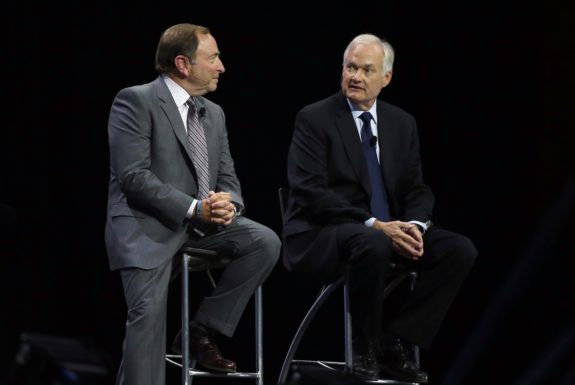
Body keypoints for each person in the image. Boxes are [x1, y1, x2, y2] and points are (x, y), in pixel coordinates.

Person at [281, 33, 477, 383]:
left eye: (366, 70)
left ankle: (395, 338)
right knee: (373, 242)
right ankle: (365, 346)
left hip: (389, 231)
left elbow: (416, 187)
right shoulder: (315, 118)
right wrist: (374, 224)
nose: (355, 76)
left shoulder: (402, 123)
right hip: (325, 233)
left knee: (458, 250)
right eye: (350, 67)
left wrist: (415, 225)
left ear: (386, 78)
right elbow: (310, 191)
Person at [105, 23, 280, 385]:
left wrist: (228, 205)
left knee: (264, 242)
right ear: (183, 64)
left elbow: (228, 178)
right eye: (213, 57)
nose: (222, 66)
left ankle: (198, 332)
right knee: (148, 318)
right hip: (147, 227)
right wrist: (194, 208)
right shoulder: (135, 100)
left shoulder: (214, 114)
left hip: (202, 228)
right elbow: (133, 177)